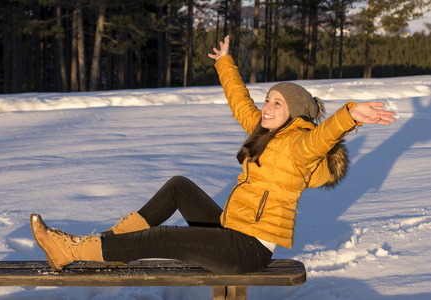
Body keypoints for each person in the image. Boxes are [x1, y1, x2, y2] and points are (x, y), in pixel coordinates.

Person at [30, 36, 396, 274]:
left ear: (294, 114)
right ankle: (111, 243)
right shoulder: (266, 133)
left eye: (277, 103)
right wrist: (225, 62)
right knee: (179, 187)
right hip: (234, 230)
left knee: (162, 238)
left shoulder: (298, 146)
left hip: (248, 249)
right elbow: (241, 103)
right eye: (268, 99)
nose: (266, 107)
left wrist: (348, 116)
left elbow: (322, 137)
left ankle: (72, 251)